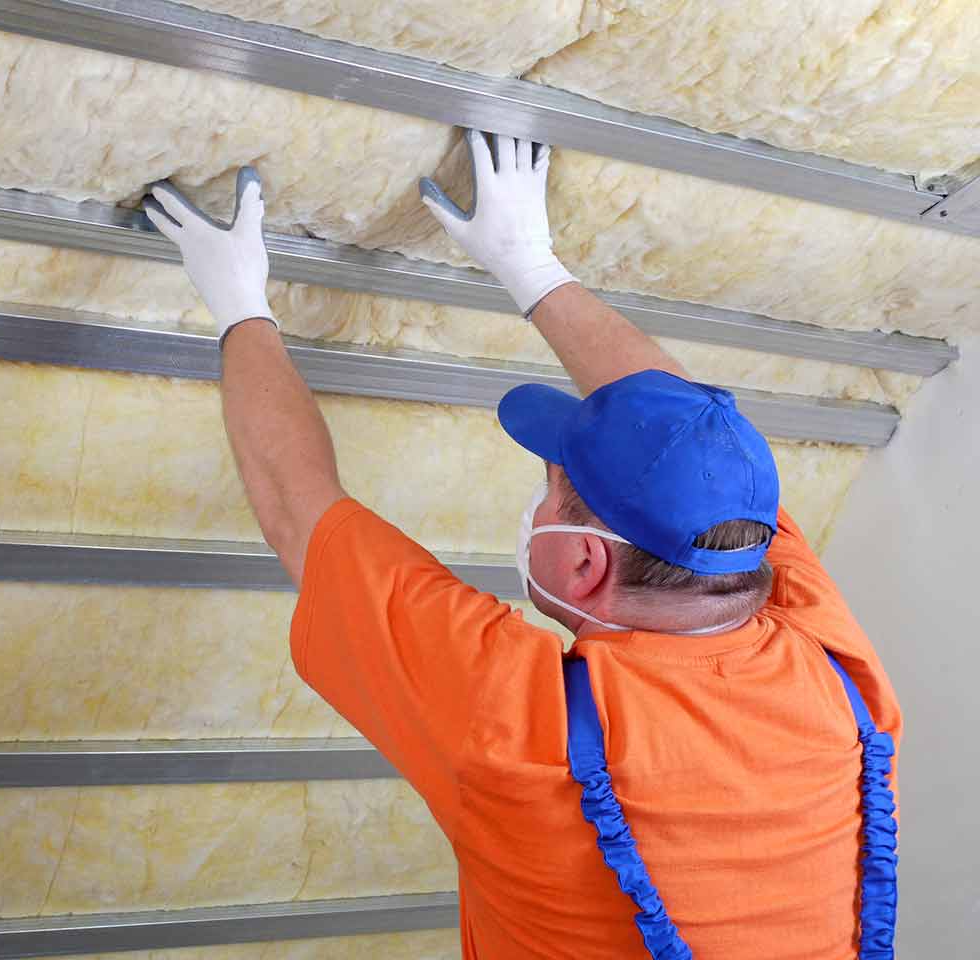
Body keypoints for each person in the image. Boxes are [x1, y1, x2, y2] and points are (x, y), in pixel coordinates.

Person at [142, 129, 900, 959]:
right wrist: (533, 267)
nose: (538, 502)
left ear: (584, 558)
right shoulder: (833, 666)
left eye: (548, 487)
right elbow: (689, 439)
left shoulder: (517, 729)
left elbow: (300, 509)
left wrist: (239, 303)